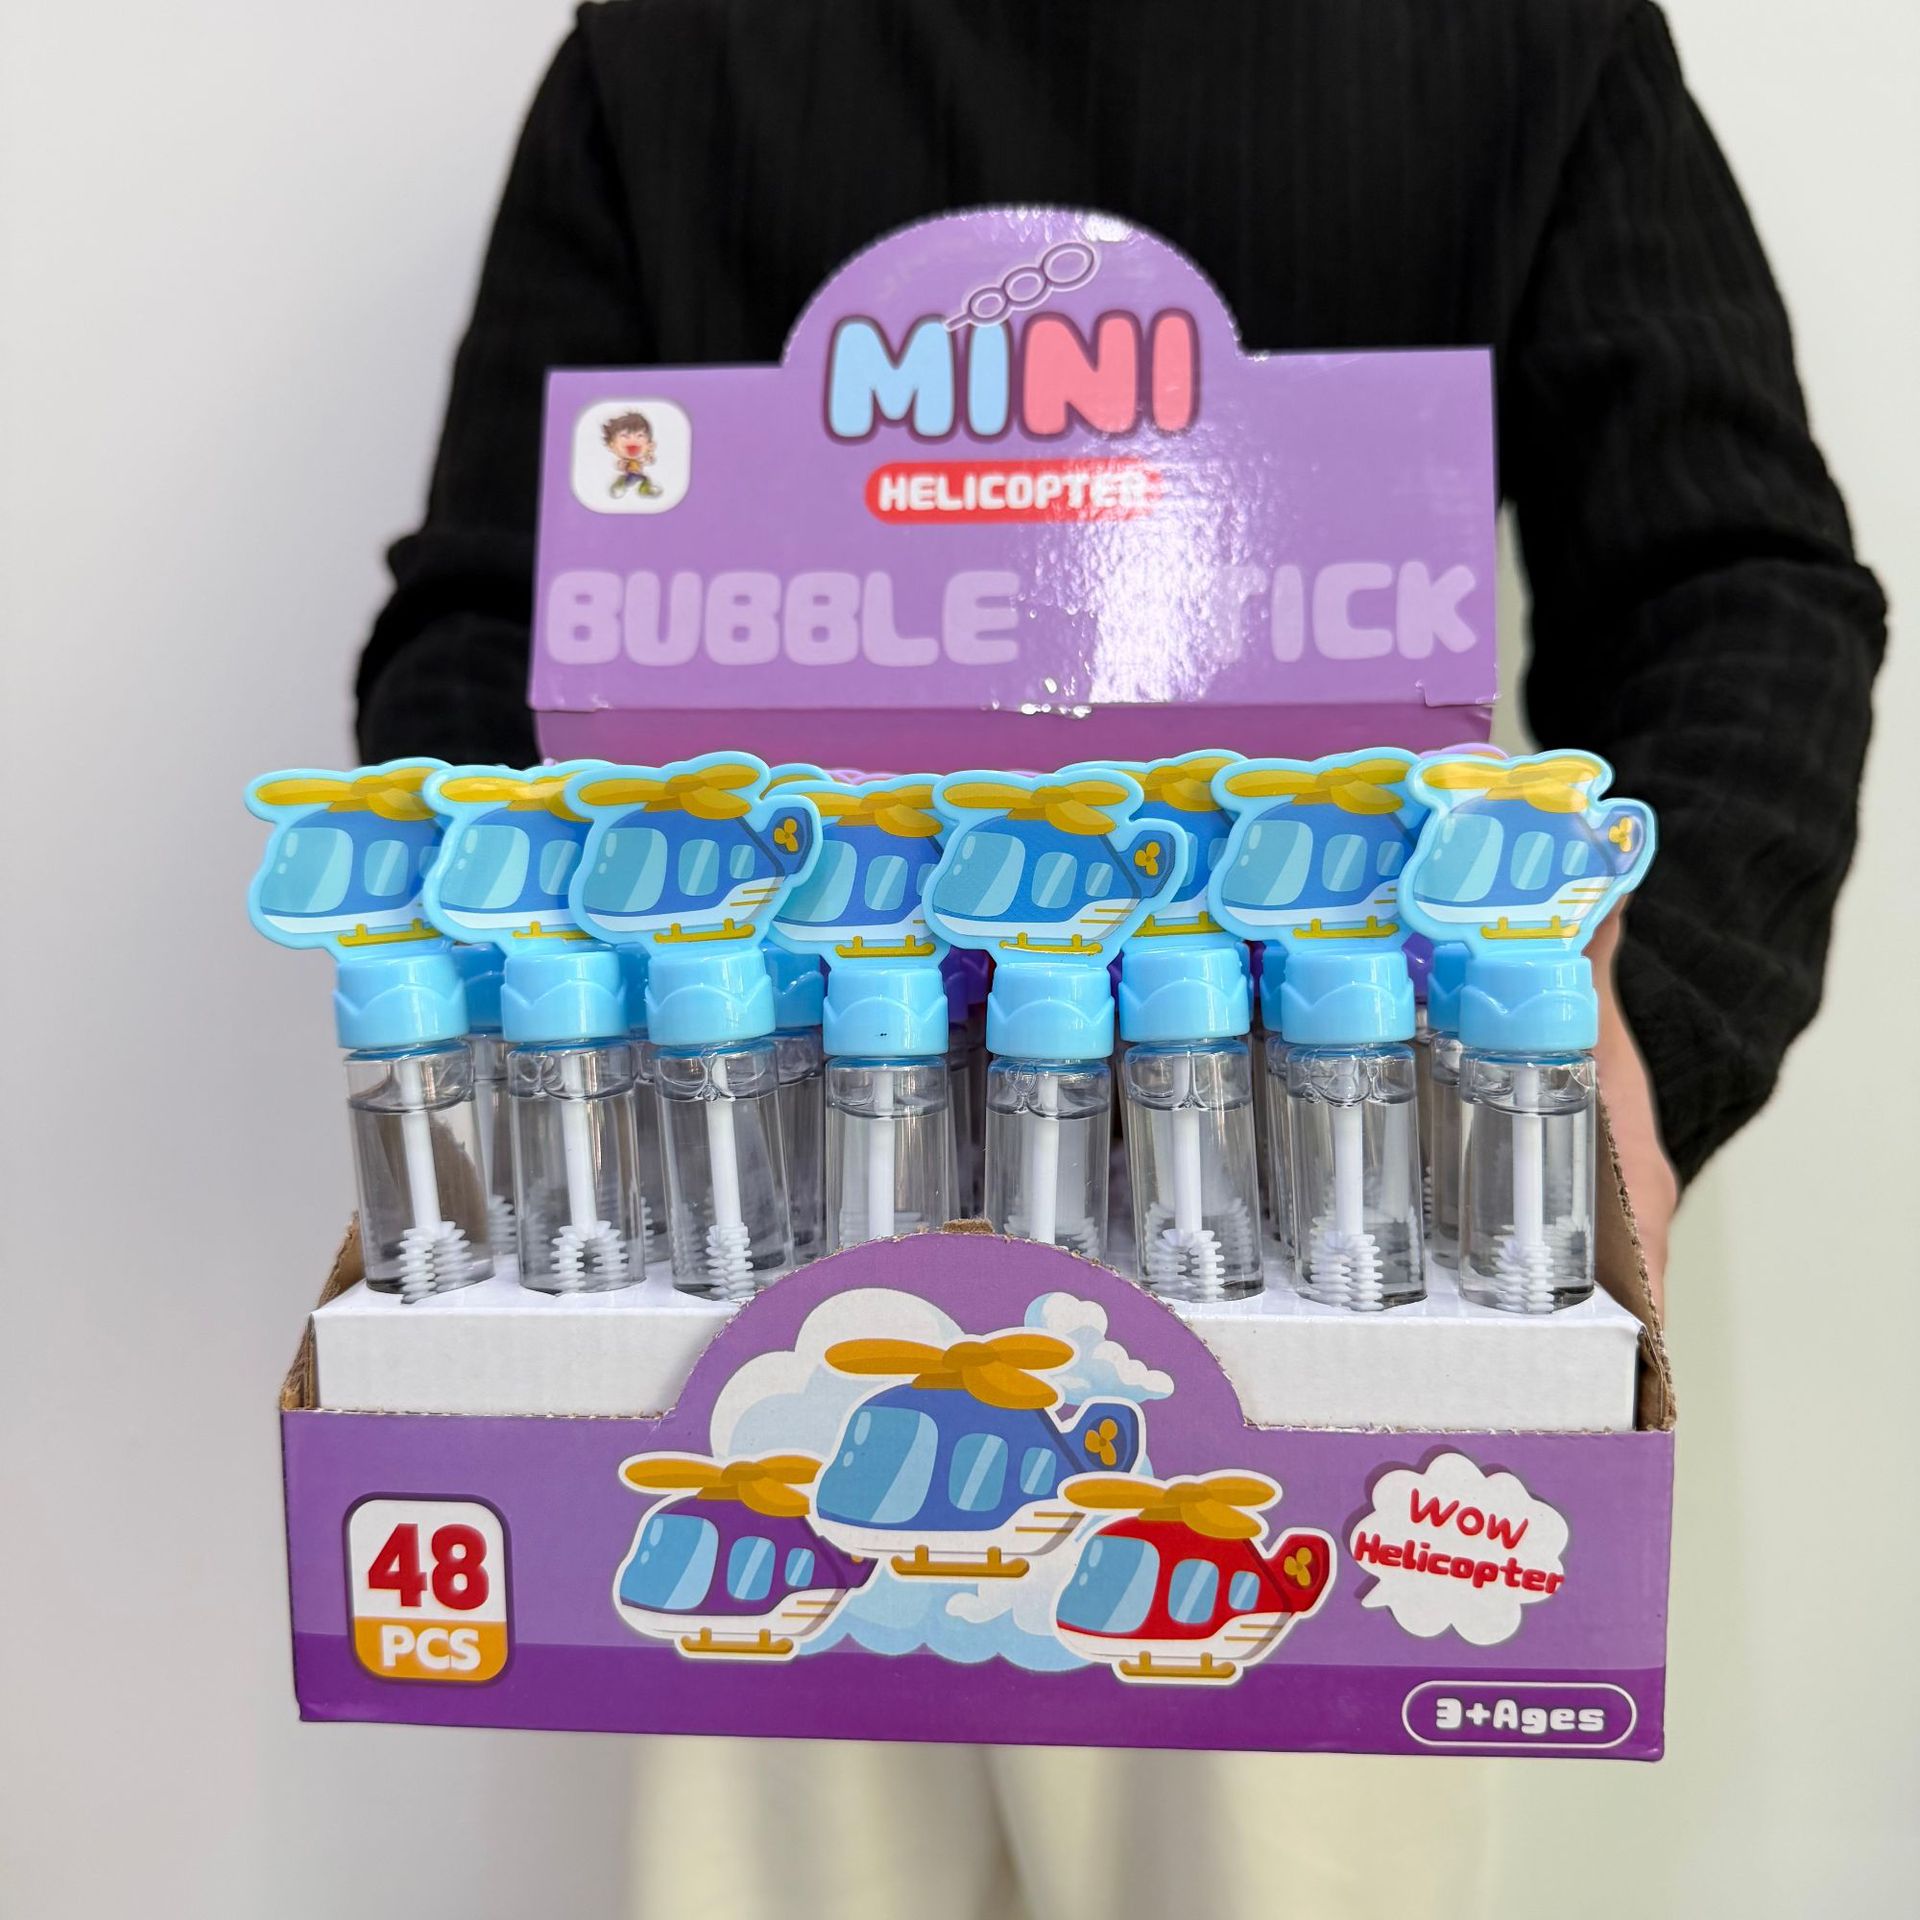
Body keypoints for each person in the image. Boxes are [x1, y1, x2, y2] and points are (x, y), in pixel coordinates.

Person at [353, 4, 1884, 1913]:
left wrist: (1638, 1032)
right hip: (749, 1248)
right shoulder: (673, 57)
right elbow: (488, 619)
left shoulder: (1513, 34)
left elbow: (1731, 585)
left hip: (1333, 1253)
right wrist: (522, 1000)